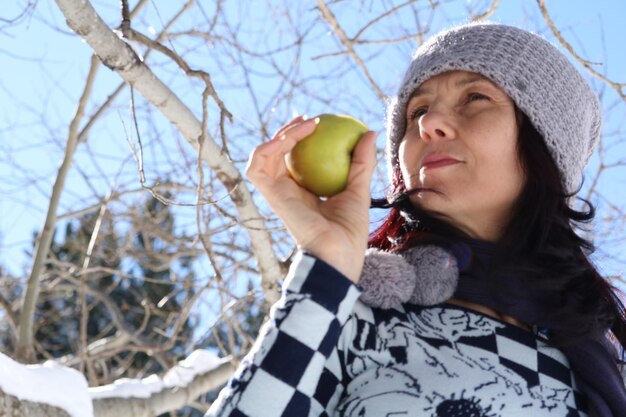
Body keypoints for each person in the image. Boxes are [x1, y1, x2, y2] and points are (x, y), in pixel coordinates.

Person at [206, 22, 626, 417]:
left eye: (475, 98)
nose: (428, 123)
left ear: (545, 147)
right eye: (416, 111)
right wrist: (327, 268)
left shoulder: (600, 355)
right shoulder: (356, 315)